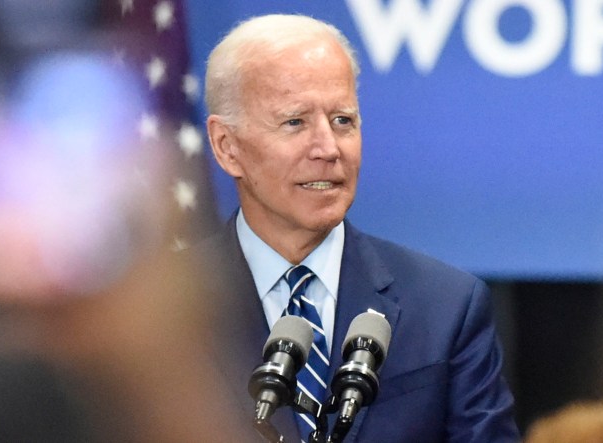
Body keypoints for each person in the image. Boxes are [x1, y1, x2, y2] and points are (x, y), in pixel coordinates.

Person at [200, 14, 519, 442]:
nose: (328, 148)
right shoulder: (159, 312)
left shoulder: (446, 309)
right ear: (227, 147)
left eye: (342, 121)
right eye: (295, 121)